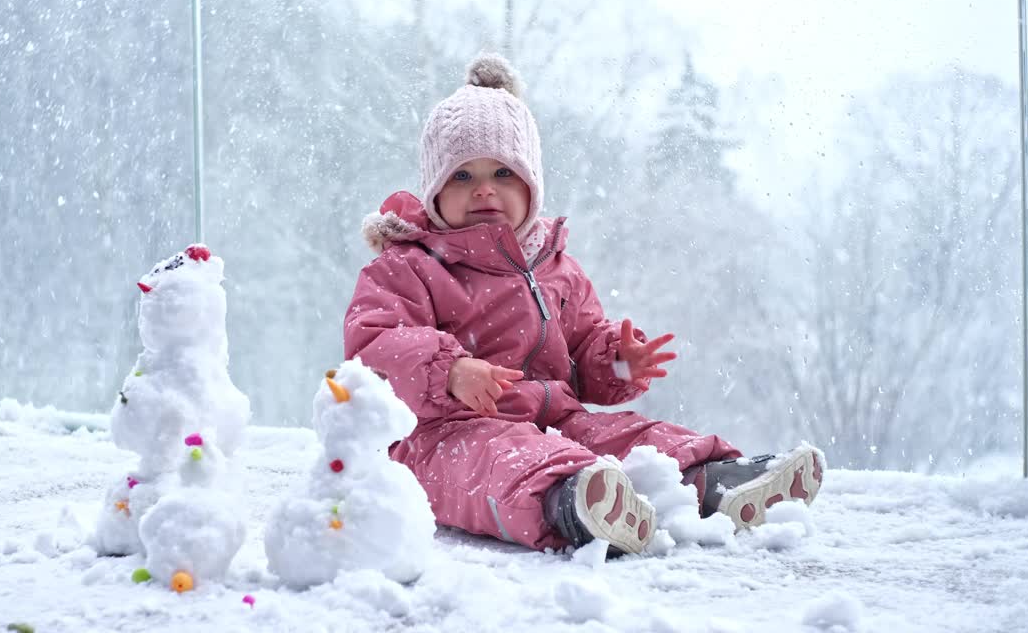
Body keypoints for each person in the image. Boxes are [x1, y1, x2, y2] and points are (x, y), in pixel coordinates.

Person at [343, 53, 823, 556]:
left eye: (504, 172)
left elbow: (583, 347)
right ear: (434, 190)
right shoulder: (409, 265)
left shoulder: (554, 268)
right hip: (443, 433)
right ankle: (572, 502)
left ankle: (710, 482)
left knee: (626, 439)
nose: (485, 188)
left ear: (532, 186)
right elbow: (374, 345)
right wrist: (449, 371)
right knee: (495, 459)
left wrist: (616, 358)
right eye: (462, 176)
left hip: (556, 420)